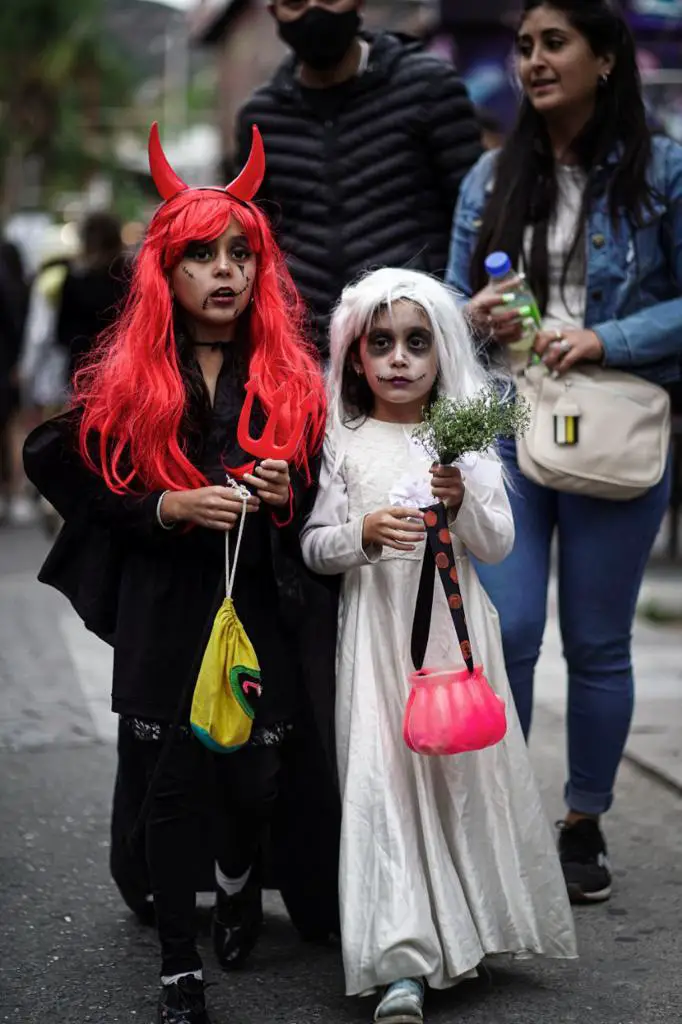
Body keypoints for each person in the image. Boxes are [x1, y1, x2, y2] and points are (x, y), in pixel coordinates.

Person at [24, 124, 338, 1024]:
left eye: (241, 254)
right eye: (201, 256)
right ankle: (176, 971)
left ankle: (238, 884)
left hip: (258, 603)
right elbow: (60, 462)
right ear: (166, 271)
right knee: (170, 783)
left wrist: (282, 491)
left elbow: (313, 487)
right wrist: (166, 507)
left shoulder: (285, 372)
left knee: (254, 778)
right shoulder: (134, 378)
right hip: (168, 607)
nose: (224, 272)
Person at [445, 0, 682, 904]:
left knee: (597, 640)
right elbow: (450, 300)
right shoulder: (489, 177)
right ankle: (501, 812)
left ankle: (583, 821)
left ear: (606, 57)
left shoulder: (666, 170)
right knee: (506, 629)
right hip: (506, 418)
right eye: (524, 47)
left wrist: (606, 337)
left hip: (614, 418)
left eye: (555, 43)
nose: (534, 61)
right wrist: (469, 314)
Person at [300, 268, 577, 1024]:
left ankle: (472, 925)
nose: (398, 359)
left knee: (460, 778)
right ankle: (401, 959)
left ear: (442, 350)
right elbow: (315, 546)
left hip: (457, 641)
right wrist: (359, 534)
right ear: (355, 355)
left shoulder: (461, 439)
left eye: (416, 342)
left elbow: (499, 543)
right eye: (381, 343)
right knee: (384, 783)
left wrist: (461, 504)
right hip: (376, 640)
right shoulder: (343, 439)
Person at [235, 0, 482, 353]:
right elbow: (257, 241)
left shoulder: (428, 86)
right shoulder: (260, 119)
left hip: (420, 343)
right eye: (295, 1)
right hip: (311, 352)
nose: (314, 10)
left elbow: (476, 218)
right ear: (273, 9)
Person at [56, 210, 128, 383]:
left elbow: (61, 332)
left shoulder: (75, 278)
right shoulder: (128, 277)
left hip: (81, 368)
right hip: (121, 367)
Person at [0, 241, 31, 524]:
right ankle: (16, 493)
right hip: (7, 362)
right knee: (12, 427)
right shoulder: (16, 283)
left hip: (6, 361)